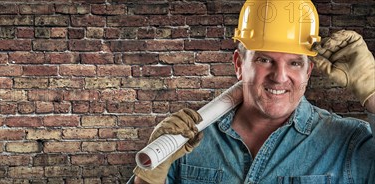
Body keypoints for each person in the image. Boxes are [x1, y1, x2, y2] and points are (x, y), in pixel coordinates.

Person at [130, 0, 375, 183]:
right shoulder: (188, 141)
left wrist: (373, 92)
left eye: (294, 63)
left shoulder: (349, 143)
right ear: (238, 64)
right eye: (265, 60)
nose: (279, 77)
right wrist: (151, 174)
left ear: (309, 70)